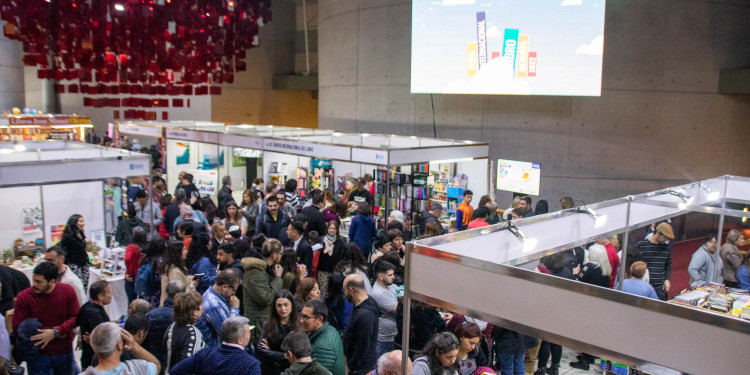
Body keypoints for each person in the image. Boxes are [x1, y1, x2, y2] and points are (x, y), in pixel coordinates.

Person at [12, 262, 80, 375]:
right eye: (33, 280)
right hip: (37, 356)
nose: (34, 284)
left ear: (52, 281)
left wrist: (56, 332)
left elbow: (76, 317)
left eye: (39, 281)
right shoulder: (24, 297)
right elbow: (17, 327)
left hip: (63, 351)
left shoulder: (67, 291)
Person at [169, 317, 261, 375]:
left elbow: (176, 370)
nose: (250, 336)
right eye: (249, 333)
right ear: (239, 340)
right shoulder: (250, 364)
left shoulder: (204, 354)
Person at [81, 322, 161, 375]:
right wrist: (134, 346)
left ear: (93, 346)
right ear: (119, 345)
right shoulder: (137, 369)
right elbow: (157, 365)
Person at [242, 238, 285, 335]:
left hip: (263, 321)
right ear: (274, 255)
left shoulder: (266, 270)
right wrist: (278, 278)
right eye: (281, 254)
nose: (281, 257)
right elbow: (265, 298)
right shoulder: (255, 272)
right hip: (257, 325)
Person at [343, 274, 380, 375]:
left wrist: (352, 367)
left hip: (361, 369)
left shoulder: (365, 315)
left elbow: (362, 345)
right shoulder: (362, 304)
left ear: (351, 290)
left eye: (344, 290)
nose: (344, 294)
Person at [259, 290, 302, 375]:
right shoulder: (268, 323)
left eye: (286, 305)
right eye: (279, 305)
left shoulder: (299, 324)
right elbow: (261, 350)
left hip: (290, 370)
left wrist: (271, 351)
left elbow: (297, 354)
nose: (282, 309)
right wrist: (284, 356)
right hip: (269, 369)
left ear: (292, 305)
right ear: (275, 307)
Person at [163, 291, 205, 373]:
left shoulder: (172, 327)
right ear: (194, 312)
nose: (202, 307)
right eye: (200, 305)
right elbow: (188, 364)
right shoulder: (193, 333)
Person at [197, 269, 242, 347]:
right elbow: (229, 334)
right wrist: (235, 309)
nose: (234, 293)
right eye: (234, 290)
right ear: (225, 287)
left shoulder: (216, 296)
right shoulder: (214, 305)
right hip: (219, 351)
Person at [301, 299, 345, 375]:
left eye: (306, 317)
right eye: (301, 316)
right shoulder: (330, 329)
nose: (301, 320)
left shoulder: (322, 348)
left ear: (319, 319)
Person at [143, 279, 185, 355]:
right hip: (177, 359)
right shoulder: (188, 317)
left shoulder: (151, 315)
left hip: (153, 356)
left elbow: (143, 338)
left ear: (166, 295)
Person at [78, 280, 113, 368]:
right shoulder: (94, 313)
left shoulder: (88, 306)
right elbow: (103, 337)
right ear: (100, 296)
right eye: (109, 292)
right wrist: (94, 338)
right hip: (94, 362)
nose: (111, 295)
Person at [636, 222, 674, 300]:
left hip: (660, 288)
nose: (667, 240)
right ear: (657, 233)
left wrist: (667, 279)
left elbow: (668, 264)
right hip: (645, 286)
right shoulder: (641, 245)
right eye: (665, 237)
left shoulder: (666, 248)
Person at [370, 261, 397, 356]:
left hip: (393, 335)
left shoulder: (390, 286)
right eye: (390, 275)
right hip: (385, 340)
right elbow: (399, 310)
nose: (393, 277)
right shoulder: (379, 293)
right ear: (381, 276)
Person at [160, 240, 196, 306]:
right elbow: (179, 293)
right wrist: (192, 284)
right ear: (177, 253)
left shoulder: (176, 268)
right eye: (183, 250)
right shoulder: (175, 272)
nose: (186, 252)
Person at [59, 213, 90, 288]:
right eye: (81, 221)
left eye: (83, 221)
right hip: (75, 265)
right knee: (77, 286)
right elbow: (64, 251)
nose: (83, 223)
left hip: (84, 264)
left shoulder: (81, 233)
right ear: (74, 223)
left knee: (85, 285)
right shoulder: (68, 236)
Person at [137, 239, 165, 308]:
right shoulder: (160, 261)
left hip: (146, 290)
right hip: (156, 292)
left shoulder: (144, 258)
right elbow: (160, 277)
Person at [125, 226, 148, 304]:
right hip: (144, 277)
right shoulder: (146, 247)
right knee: (144, 302)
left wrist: (128, 272)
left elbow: (127, 258)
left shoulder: (131, 247)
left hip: (132, 277)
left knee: (131, 302)